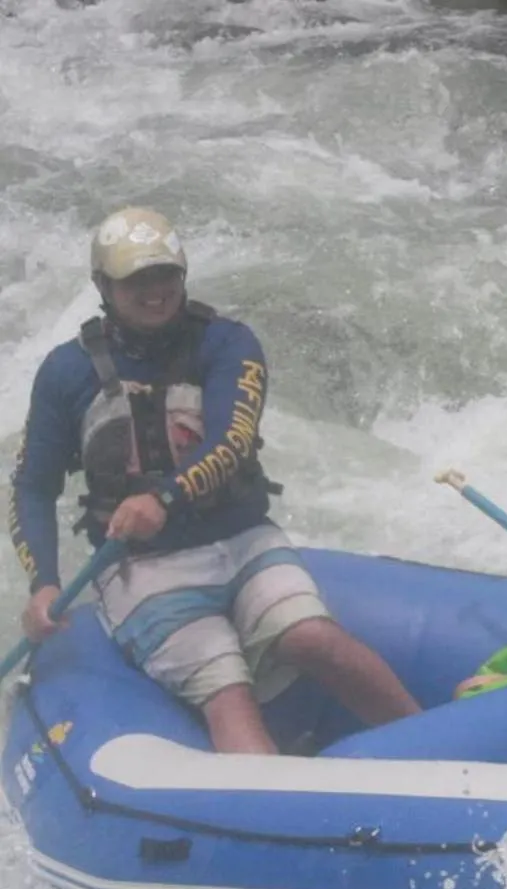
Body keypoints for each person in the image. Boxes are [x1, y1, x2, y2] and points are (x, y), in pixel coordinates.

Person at [9, 207, 421, 753]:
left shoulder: (227, 344)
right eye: (137, 280)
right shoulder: (67, 372)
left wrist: (164, 495)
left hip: (243, 538)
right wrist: (44, 582)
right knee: (225, 690)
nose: (155, 291)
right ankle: (277, 818)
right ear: (103, 286)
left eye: (165, 276)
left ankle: (444, 748)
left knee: (314, 638)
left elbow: (232, 440)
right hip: (142, 566)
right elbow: (32, 487)